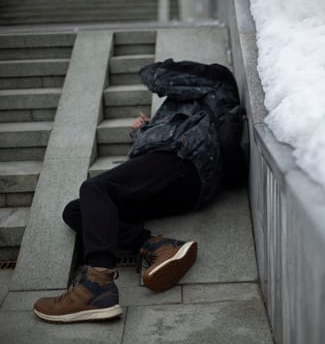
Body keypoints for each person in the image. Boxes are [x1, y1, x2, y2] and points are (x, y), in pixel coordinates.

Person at [32, 59, 244, 323]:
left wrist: (152, 69)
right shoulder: (194, 104)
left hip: (183, 159)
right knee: (76, 211)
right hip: (184, 182)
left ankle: (96, 284)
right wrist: (144, 132)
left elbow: (156, 74)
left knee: (95, 188)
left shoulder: (216, 78)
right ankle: (158, 245)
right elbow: (174, 131)